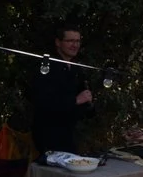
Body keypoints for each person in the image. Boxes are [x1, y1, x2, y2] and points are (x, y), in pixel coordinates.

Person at [27, 28, 94, 157]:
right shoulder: (45, 67)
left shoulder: (76, 69)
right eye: (70, 41)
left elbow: (84, 103)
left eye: (77, 41)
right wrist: (76, 100)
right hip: (48, 134)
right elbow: (43, 102)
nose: (75, 45)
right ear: (58, 42)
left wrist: (89, 104)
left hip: (70, 132)